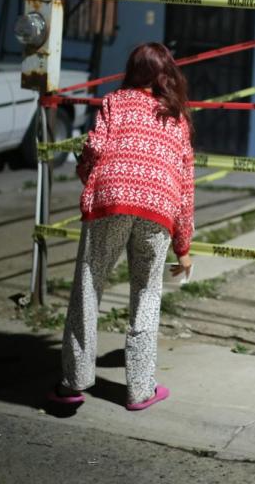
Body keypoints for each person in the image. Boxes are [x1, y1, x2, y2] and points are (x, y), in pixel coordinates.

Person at [49, 42, 194, 411]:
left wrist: (92, 180)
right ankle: (140, 390)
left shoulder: (115, 102)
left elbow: (93, 148)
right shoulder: (176, 117)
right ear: (166, 75)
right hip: (159, 207)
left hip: (112, 201)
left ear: (133, 70)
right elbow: (185, 182)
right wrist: (184, 247)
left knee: (89, 282)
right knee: (146, 294)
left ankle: (73, 383)